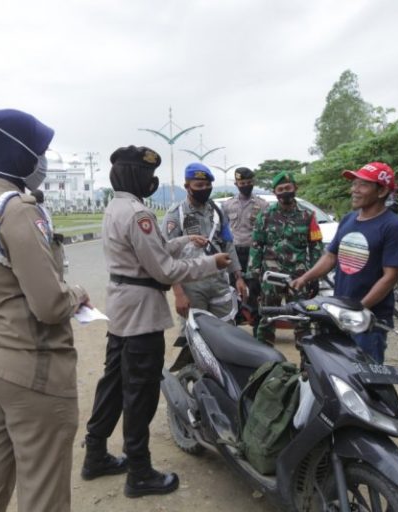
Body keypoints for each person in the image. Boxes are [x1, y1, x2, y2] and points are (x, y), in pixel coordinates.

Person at [82, 146, 231, 498]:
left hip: (122, 309)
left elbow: (150, 251)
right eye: (148, 175)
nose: (152, 181)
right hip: (141, 315)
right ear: (135, 175)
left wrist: (182, 241)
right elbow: (164, 270)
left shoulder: (116, 206)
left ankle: (95, 453)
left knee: (114, 384)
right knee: (140, 393)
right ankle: (139, 472)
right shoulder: (138, 214)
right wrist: (212, 264)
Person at [0, 108, 90, 512]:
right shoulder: (18, 209)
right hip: (29, 369)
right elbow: (50, 305)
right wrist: (78, 294)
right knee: (43, 492)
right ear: (20, 152)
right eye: (40, 151)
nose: (44, 161)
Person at [292, 162, 398, 363]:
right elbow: (331, 257)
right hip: (339, 311)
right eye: (354, 184)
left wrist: (357, 309)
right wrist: (304, 278)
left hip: (367, 320)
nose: (354, 190)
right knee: (336, 373)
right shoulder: (348, 219)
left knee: (365, 382)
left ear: (381, 191)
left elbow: (390, 277)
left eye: (362, 185)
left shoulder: (394, 227)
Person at [162, 163, 247, 328]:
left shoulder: (217, 211)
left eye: (208, 185)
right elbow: (166, 256)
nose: (205, 188)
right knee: (195, 334)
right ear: (187, 187)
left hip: (219, 283)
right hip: (192, 287)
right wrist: (178, 294)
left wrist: (238, 277)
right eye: (199, 185)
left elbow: (228, 245)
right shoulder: (175, 214)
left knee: (226, 331)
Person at [249, 171, 324, 345]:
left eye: (288, 188)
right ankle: (263, 362)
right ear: (275, 192)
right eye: (280, 189)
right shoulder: (265, 215)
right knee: (267, 320)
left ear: (295, 188)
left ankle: (307, 364)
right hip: (271, 277)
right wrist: (252, 276)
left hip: (298, 278)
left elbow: (316, 247)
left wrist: (314, 277)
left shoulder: (308, 215)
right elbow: (256, 246)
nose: (284, 192)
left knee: (302, 321)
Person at [221, 167, 268, 332]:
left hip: (253, 254)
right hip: (233, 253)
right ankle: (233, 330)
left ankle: (257, 331)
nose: (245, 185)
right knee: (232, 292)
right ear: (236, 184)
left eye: (248, 183)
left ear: (253, 183)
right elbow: (223, 232)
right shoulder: (227, 205)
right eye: (242, 183)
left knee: (255, 292)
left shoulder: (262, 205)